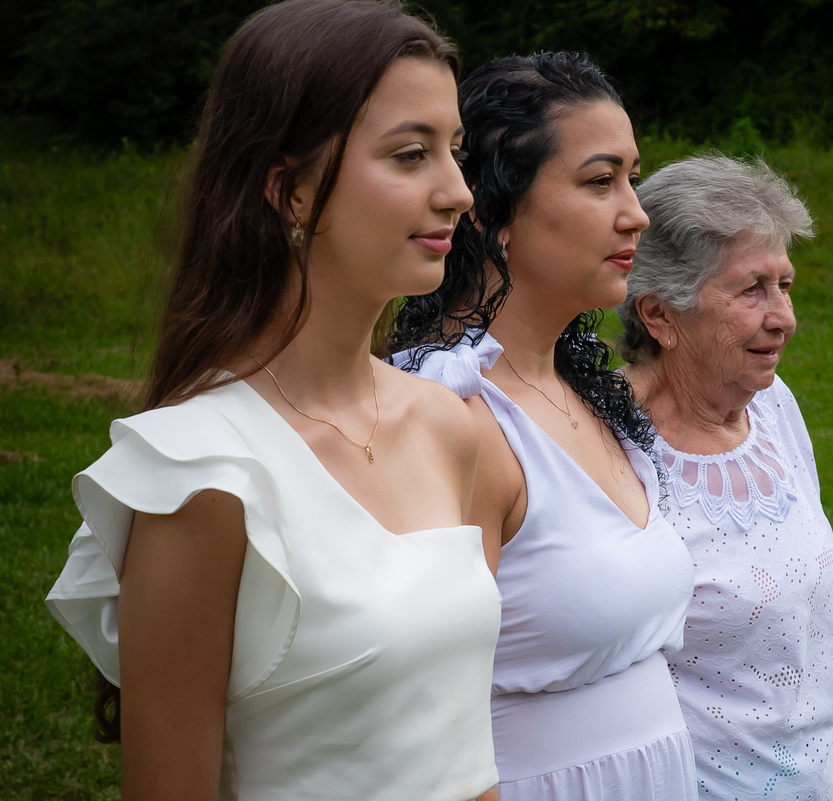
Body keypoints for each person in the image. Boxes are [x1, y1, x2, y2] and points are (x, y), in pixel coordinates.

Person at [44, 2, 502, 799]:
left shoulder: (445, 426)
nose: (459, 192)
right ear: (289, 190)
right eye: (410, 155)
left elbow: (466, 749)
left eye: (454, 152)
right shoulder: (204, 475)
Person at [391, 53, 698, 801]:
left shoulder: (580, 388)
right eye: (601, 181)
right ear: (493, 211)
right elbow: (424, 717)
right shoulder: (448, 412)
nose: (637, 211)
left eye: (632, 176)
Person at [617, 154, 833, 800]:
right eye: (752, 290)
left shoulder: (773, 408)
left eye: (786, 284)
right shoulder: (608, 443)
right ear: (660, 316)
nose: (784, 318)